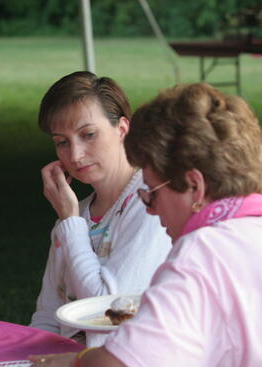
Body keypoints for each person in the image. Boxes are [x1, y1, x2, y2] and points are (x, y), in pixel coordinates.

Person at [29, 82, 262, 366]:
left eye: (152, 193)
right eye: (62, 141)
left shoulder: (200, 251)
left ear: (195, 185)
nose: (150, 210)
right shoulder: (254, 230)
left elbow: (120, 360)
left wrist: (64, 363)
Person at [30, 71, 171, 347]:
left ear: (122, 129)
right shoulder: (73, 215)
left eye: (88, 134)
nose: (75, 155)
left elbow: (107, 311)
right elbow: (47, 317)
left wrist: (70, 221)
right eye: (62, 142)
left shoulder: (150, 204)